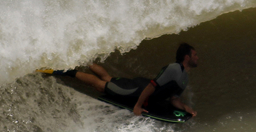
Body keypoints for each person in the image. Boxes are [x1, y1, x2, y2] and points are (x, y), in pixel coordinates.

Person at [47, 43, 198, 117]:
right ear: (187, 57)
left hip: (139, 86)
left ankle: (82, 60)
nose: (197, 58)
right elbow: (152, 86)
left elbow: (174, 99)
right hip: (136, 91)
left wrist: (185, 108)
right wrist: (138, 106)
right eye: (195, 55)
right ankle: (67, 71)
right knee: (101, 85)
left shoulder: (184, 76)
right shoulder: (174, 69)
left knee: (108, 78)